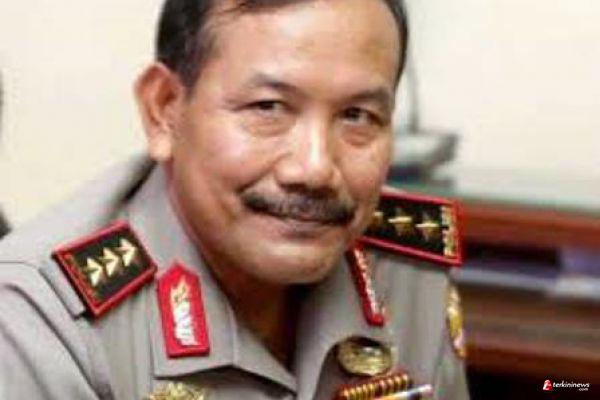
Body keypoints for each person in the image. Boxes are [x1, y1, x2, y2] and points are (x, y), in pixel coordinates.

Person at [0, 0, 469, 399]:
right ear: (164, 109)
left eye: (357, 116)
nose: (315, 168)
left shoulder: (405, 271)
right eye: (269, 107)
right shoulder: (42, 317)